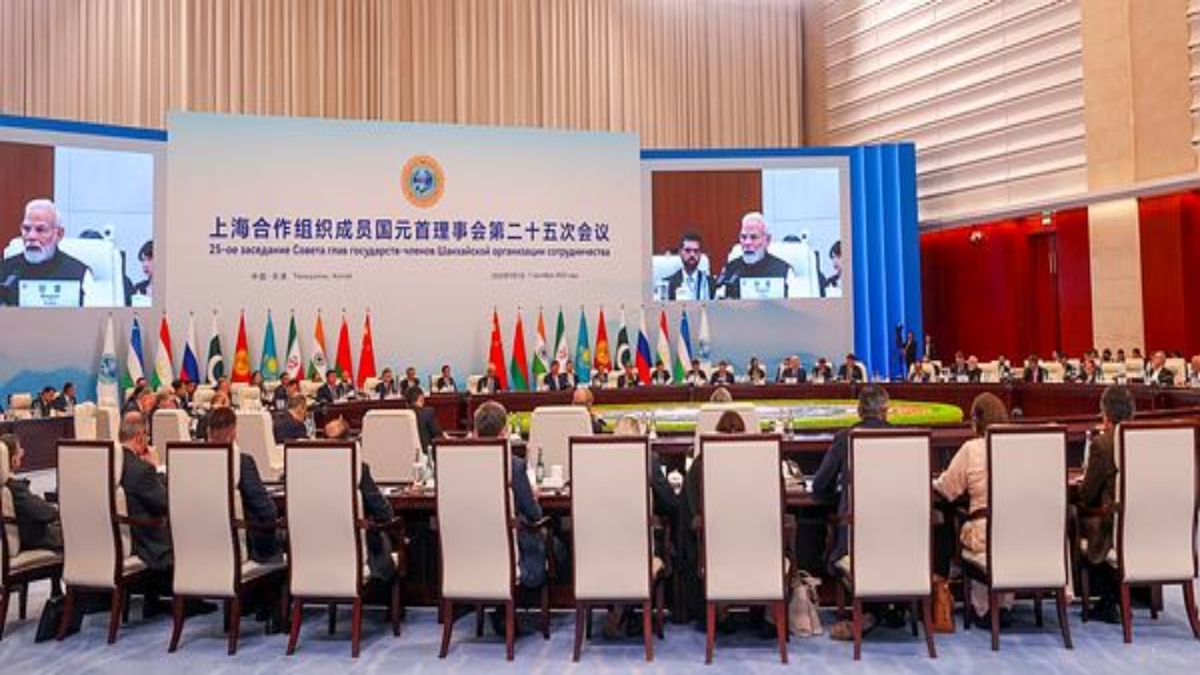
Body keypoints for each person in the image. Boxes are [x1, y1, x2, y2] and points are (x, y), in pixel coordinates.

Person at [473, 401, 565, 634]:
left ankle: (503, 610)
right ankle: (522, 608)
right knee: (558, 547)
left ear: (475, 431)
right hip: (512, 555)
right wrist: (530, 496)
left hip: (471, 554)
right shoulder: (513, 466)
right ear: (505, 432)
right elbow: (535, 516)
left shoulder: (456, 464)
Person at [813, 387, 891, 639]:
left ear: (858, 411)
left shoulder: (846, 438)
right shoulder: (906, 437)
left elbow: (820, 484)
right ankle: (884, 611)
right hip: (901, 542)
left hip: (855, 540)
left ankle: (869, 614)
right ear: (886, 410)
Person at [933, 393, 1014, 627]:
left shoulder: (972, 448)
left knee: (972, 532)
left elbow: (948, 490)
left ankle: (985, 609)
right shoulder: (1020, 446)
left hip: (985, 533)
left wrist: (933, 482)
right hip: (1020, 532)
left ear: (977, 420)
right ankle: (1005, 606)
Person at [1078, 385, 1135, 624]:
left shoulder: (1103, 444)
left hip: (1115, 528)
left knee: (1075, 516)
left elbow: (1087, 495)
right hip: (1152, 528)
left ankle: (1106, 598)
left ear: (1105, 413)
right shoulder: (1149, 438)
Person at [324, 418, 398, 586]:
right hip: (357, 552)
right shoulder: (358, 470)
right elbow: (384, 513)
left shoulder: (308, 469)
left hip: (320, 553)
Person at [206, 408, 281, 563]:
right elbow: (268, 513)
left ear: (209, 432)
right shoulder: (242, 463)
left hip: (200, 551)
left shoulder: (191, 462)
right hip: (247, 549)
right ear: (233, 432)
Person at [0, 199, 91, 306]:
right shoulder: (6, 271)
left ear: (59, 234)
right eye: (26, 229)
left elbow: (94, 318)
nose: (31, 236)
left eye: (40, 230)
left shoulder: (80, 273)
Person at [1, 434, 62, 551]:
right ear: (13, 460)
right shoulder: (15, 489)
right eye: (19, 450)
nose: (22, 452)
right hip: (36, 540)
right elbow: (47, 513)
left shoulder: (7, 487)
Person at [715, 212, 794, 299]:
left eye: (753, 237)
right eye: (743, 237)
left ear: (767, 240)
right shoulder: (731, 269)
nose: (747, 243)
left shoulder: (783, 270)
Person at [664, 231, 715, 301]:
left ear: (700, 254)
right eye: (688, 250)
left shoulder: (710, 283)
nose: (692, 255)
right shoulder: (670, 283)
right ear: (680, 252)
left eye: (696, 251)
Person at [406, 387, 445, 453]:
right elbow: (438, 435)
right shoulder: (428, 412)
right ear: (421, 398)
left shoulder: (404, 415)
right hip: (426, 454)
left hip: (408, 455)